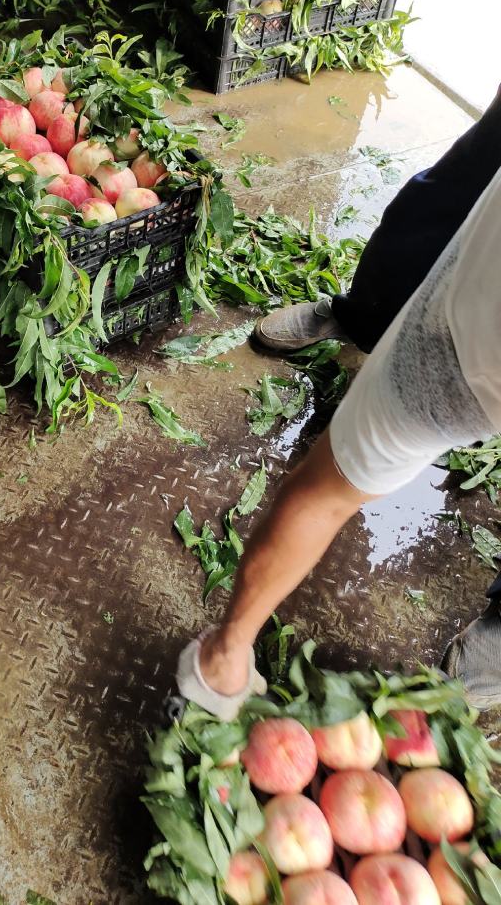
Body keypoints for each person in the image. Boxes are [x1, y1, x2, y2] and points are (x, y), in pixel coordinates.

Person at [177, 93, 501, 718]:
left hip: (468, 346)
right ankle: (364, 314)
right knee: (444, 200)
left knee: (328, 487)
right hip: (465, 348)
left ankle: (223, 660)